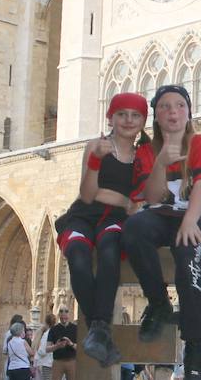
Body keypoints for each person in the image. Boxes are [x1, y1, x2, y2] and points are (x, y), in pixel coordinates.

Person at [123, 84, 201, 380]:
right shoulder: (147, 150)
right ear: (157, 115)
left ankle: (194, 348)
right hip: (160, 215)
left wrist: (191, 221)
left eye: (179, 105)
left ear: (188, 111)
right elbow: (150, 198)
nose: (173, 111)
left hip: (196, 216)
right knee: (134, 229)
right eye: (165, 106)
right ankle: (159, 303)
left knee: (189, 252)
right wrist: (161, 164)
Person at [56, 93, 147, 365]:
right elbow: (87, 193)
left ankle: (98, 330)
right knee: (77, 254)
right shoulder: (96, 146)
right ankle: (100, 328)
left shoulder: (143, 155)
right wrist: (121, 198)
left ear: (143, 120)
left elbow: (141, 200)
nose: (128, 120)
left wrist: (124, 202)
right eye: (122, 114)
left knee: (109, 251)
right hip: (84, 215)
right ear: (111, 117)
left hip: (115, 221)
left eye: (135, 115)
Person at [34, 313, 56, 380]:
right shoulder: (54, 333)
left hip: (46, 363)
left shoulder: (47, 333)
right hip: (50, 363)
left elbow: (42, 350)